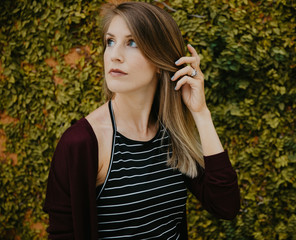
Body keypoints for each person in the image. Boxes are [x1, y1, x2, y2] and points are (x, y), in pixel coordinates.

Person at [44, 1, 240, 239]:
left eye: (132, 42)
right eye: (110, 41)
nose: (114, 56)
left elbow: (226, 205)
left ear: (161, 61)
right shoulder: (82, 143)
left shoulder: (170, 134)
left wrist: (201, 113)